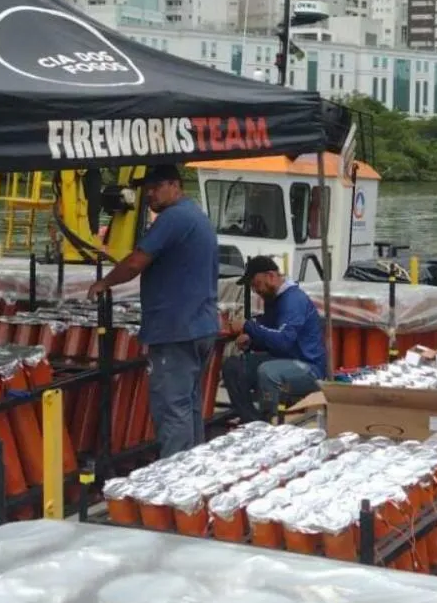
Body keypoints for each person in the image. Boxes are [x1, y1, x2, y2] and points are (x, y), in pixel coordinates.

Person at [87, 164, 219, 458]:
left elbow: (135, 262)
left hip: (176, 329)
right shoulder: (197, 216)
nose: (149, 195)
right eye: (147, 189)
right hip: (201, 326)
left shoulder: (173, 218)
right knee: (189, 404)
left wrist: (104, 283)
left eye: (155, 188)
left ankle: (174, 482)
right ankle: (193, 470)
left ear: (175, 185)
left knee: (172, 407)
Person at [222, 255, 326, 423]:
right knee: (233, 366)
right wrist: (252, 340)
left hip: (307, 367)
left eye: (257, 285)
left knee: (268, 372)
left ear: (271, 276)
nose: (256, 291)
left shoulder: (293, 300)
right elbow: (270, 334)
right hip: (284, 359)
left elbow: (283, 341)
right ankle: (252, 421)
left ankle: (269, 421)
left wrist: (249, 326)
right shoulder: (274, 300)